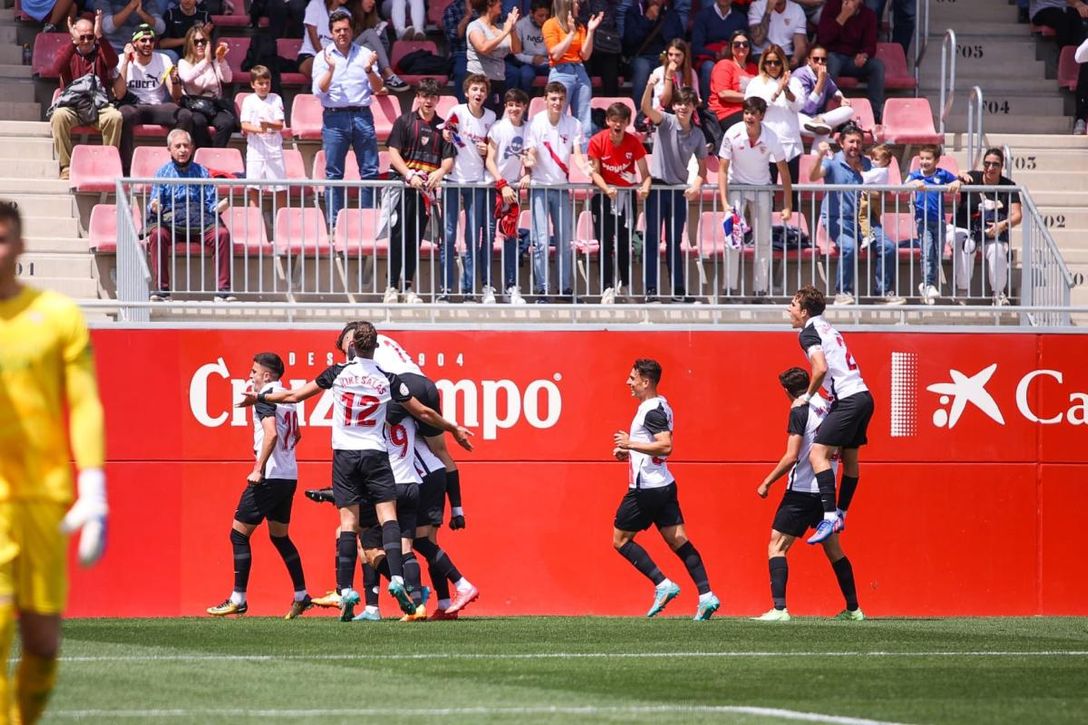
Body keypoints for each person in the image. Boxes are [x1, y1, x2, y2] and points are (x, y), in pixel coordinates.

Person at [238, 321, 474, 621]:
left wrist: (258, 398)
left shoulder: (338, 372)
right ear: (375, 348)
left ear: (351, 346)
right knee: (389, 516)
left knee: (348, 523)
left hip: (345, 454)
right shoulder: (388, 378)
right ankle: (399, 580)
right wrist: (453, 427)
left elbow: (293, 397)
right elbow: (424, 413)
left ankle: (345, 589)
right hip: (375, 454)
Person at [0, 200, 108, 725]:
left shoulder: (58, 316)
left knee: (42, 645)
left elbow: (84, 401)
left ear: (19, 246)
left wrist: (94, 488)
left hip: (43, 501)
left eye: (3, 239)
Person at [370, 331, 480, 617]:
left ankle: (458, 585)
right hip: (434, 473)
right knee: (427, 542)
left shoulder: (386, 414)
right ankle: (444, 603)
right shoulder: (386, 345)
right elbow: (440, 448)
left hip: (423, 478)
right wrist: (457, 508)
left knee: (416, 543)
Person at [611, 359, 720, 620]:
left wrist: (630, 443)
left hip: (646, 488)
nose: (629, 382)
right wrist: (628, 449)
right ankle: (706, 596)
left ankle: (662, 584)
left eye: (632, 378)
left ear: (646, 382)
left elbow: (665, 446)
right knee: (678, 540)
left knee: (621, 540)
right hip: (664, 484)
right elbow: (652, 444)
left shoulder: (651, 410)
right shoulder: (661, 405)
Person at [754, 366, 863, 622]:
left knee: (776, 545)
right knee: (835, 550)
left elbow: (792, 456)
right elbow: (850, 462)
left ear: (786, 392)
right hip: (826, 493)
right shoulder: (835, 409)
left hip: (801, 491)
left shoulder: (799, 410)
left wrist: (766, 482)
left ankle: (779, 610)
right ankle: (854, 609)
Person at [207, 353, 312, 619]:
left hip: (269, 476)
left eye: (254, 372)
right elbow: (296, 434)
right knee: (279, 536)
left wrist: (259, 468)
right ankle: (301, 594)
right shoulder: (287, 397)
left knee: (238, 534)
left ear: (267, 376)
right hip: (288, 476)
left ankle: (238, 598)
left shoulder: (265, 397)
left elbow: (272, 433)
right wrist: (283, 459)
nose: (250, 376)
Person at [787, 284, 872, 546]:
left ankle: (829, 515)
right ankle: (842, 513)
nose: (789, 310)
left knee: (817, 454)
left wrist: (806, 397)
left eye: (792, 305)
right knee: (850, 458)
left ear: (804, 311)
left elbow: (820, 369)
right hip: (864, 396)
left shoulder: (808, 332)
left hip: (847, 399)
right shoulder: (827, 327)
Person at [807, 128, 901, 305]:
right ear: (841, 143)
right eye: (851, 141)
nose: (855, 146)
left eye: (858, 142)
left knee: (888, 247)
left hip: (866, 220)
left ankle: (882, 293)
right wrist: (819, 155)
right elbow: (813, 176)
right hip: (839, 219)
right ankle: (843, 292)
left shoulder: (869, 164)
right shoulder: (832, 162)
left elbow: (881, 191)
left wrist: (874, 193)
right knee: (849, 247)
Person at [385, 78, 456, 303]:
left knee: (415, 240)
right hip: (401, 187)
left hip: (425, 192)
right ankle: (391, 287)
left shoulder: (443, 128)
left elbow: (448, 159)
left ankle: (407, 287)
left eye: (432, 97)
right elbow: (393, 152)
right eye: (424, 96)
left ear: (437, 100)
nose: (428, 101)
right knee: (397, 237)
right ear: (418, 97)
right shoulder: (404, 121)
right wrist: (409, 174)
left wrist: (439, 173)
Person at [145, 129, 234, 301]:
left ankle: (223, 291)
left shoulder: (202, 172)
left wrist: (220, 206)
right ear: (169, 149)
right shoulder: (162, 173)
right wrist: (155, 206)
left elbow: (211, 203)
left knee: (221, 234)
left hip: (199, 220)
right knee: (157, 235)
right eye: (178, 146)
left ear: (192, 148)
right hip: (172, 221)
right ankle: (162, 291)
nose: (182, 150)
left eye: (186, 146)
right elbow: (154, 202)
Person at [313, 7, 385, 220]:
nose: (342, 33)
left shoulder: (365, 55)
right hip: (334, 118)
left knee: (370, 171)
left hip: (362, 115)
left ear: (352, 30)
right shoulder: (322, 57)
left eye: (345, 29)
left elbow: (378, 87)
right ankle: (335, 225)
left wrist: (370, 70)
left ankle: (367, 222)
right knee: (334, 173)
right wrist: (331, 69)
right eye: (337, 30)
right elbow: (319, 91)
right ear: (331, 33)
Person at [717, 96, 792, 299]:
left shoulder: (771, 136)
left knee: (763, 241)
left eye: (754, 113)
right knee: (731, 239)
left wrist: (788, 205)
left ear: (761, 116)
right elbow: (722, 170)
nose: (749, 117)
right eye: (746, 112)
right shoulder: (733, 133)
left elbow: (783, 171)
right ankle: (729, 289)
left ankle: (761, 289)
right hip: (736, 188)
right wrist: (725, 203)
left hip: (762, 189)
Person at [641, 84, 707, 301]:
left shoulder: (697, 135)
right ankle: (650, 289)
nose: (682, 108)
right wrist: (650, 85)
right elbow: (646, 109)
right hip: (658, 188)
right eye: (679, 103)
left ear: (693, 107)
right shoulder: (666, 121)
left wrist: (696, 185)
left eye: (687, 104)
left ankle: (678, 289)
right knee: (652, 239)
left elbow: (702, 171)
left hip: (678, 190)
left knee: (674, 240)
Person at [524, 81, 587, 301]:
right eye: (553, 98)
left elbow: (577, 154)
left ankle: (564, 288)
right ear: (545, 100)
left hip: (561, 188)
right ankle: (542, 289)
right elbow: (530, 150)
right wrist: (529, 160)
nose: (557, 102)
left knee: (564, 241)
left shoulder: (574, 124)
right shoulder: (535, 123)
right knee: (540, 241)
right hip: (540, 188)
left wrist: (586, 167)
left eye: (561, 98)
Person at [442, 74, 498, 302]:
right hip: (453, 181)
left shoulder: (492, 117)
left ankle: (468, 291)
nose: (478, 93)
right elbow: (447, 133)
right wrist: (446, 133)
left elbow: (493, 147)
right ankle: (445, 290)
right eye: (475, 89)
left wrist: (487, 150)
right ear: (467, 92)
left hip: (477, 183)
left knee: (472, 238)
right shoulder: (457, 111)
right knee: (448, 237)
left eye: (482, 90)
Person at [587, 102, 651, 303]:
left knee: (624, 243)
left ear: (627, 123)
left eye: (622, 121)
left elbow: (646, 175)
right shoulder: (597, 141)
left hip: (626, 198)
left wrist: (645, 187)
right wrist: (606, 188)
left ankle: (624, 285)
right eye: (613, 120)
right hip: (603, 197)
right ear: (607, 121)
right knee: (605, 243)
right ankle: (606, 287)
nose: (617, 125)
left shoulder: (633, 142)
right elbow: (594, 173)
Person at [51, 11, 123, 181]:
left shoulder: (100, 50)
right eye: (81, 37)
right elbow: (57, 68)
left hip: (99, 106)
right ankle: (66, 166)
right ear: (75, 35)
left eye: (89, 37)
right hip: (73, 107)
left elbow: (112, 63)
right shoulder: (68, 50)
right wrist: (71, 42)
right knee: (59, 116)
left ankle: (108, 164)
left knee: (115, 117)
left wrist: (100, 37)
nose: (85, 41)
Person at [114, 24, 194, 175]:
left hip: (157, 105)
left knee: (185, 115)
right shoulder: (121, 60)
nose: (147, 44)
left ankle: (178, 163)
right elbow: (119, 94)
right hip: (135, 106)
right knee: (123, 114)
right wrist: (125, 61)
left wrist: (175, 80)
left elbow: (175, 96)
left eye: (151, 40)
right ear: (134, 43)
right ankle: (127, 167)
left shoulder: (164, 59)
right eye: (143, 40)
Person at [949, 148, 1022, 306]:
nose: (990, 167)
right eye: (987, 163)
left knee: (998, 250)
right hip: (965, 227)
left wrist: (1003, 225)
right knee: (966, 245)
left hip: (991, 232)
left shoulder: (1009, 185)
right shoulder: (974, 177)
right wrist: (957, 180)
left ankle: (998, 294)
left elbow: (1017, 215)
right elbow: (960, 179)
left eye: (995, 164)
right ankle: (962, 290)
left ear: (1002, 166)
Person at [744, 43, 803, 214]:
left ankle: (792, 234)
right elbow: (754, 108)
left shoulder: (795, 81)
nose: (772, 66)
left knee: (791, 192)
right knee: (766, 194)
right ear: (763, 63)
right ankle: (766, 234)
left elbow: (798, 106)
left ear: (782, 62)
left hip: (790, 143)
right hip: (765, 143)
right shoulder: (756, 83)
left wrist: (786, 90)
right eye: (769, 62)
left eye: (777, 62)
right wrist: (777, 91)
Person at [485, 88, 531, 304]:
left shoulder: (529, 130)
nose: (514, 109)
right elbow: (490, 160)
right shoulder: (498, 128)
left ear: (524, 107)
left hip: (512, 190)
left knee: (511, 237)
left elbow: (530, 157)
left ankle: (512, 286)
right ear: (506, 106)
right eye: (511, 104)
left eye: (518, 105)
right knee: (489, 237)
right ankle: (488, 287)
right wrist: (501, 183)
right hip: (494, 187)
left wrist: (528, 174)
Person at [906, 144, 960, 305]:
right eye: (922, 158)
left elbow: (957, 180)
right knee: (927, 252)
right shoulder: (916, 174)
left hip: (940, 220)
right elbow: (903, 187)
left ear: (936, 160)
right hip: (923, 221)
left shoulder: (942, 174)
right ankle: (928, 283)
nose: (924, 162)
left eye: (928, 159)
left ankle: (928, 285)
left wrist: (957, 183)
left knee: (937, 254)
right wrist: (914, 184)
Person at [542, 0, 603, 141]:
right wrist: (570, 34)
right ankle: (556, 156)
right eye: (575, 3)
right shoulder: (550, 24)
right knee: (557, 115)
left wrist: (591, 31)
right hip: (561, 71)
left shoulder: (579, 26)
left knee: (584, 121)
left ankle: (582, 157)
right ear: (566, 4)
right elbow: (555, 54)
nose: (578, 5)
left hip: (580, 70)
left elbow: (585, 55)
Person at [816, 0, 884, 123]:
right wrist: (843, 16)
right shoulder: (831, 7)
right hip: (833, 56)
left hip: (853, 60)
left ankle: (874, 115)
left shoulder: (868, 14)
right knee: (832, 61)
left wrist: (864, 55)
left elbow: (870, 45)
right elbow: (823, 39)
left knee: (877, 66)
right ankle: (825, 111)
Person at [177, 25, 236, 149]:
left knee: (227, 123)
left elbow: (228, 79)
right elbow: (187, 78)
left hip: (213, 105)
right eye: (196, 41)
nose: (200, 45)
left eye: (203, 41)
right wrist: (205, 61)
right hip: (195, 106)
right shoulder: (183, 63)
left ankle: (214, 154)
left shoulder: (213, 63)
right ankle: (205, 153)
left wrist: (220, 60)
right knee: (198, 122)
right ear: (189, 44)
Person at [240, 65, 288, 211]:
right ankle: (255, 227)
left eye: (267, 83)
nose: (264, 86)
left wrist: (269, 126)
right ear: (252, 84)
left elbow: (280, 125)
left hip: (274, 149)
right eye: (260, 83)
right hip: (256, 150)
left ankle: (282, 224)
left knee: (280, 188)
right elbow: (245, 126)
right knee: (254, 188)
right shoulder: (248, 100)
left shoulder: (276, 99)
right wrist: (261, 129)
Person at [622, 0, 684, 107]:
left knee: (669, 66)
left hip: (664, 56)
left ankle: (667, 109)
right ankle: (639, 112)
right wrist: (647, 19)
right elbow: (629, 41)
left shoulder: (671, 14)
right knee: (642, 68)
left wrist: (662, 19)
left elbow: (677, 41)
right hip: (641, 56)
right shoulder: (634, 11)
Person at [794, 44, 854, 149]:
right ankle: (817, 160)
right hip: (800, 118)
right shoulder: (801, 75)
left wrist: (841, 98)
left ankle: (821, 120)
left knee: (848, 110)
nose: (820, 62)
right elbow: (807, 108)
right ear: (809, 60)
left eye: (823, 59)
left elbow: (834, 90)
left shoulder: (825, 75)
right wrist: (820, 82)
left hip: (818, 119)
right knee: (824, 130)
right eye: (816, 59)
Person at [468, 0, 522, 113]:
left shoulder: (501, 27)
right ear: (489, 5)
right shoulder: (474, 26)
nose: (501, 3)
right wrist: (504, 33)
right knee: (483, 116)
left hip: (499, 79)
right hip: (479, 81)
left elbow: (516, 50)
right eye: (498, 2)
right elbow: (483, 48)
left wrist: (512, 29)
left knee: (498, 116)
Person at [691, 0, 748, 101]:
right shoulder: (703, 15)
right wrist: (715, 53)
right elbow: (696, 46)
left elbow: (745, 42)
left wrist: (731, 50)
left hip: (733, 56)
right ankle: (708, 104)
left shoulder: (740, 18)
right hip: (709, 57)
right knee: (708, 67)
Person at [708, 29, 758, 131]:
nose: (741, 47)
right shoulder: (724, 64)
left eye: (745, 44)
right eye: (737, 44)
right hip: (727, 112)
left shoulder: (753, 67)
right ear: (730, 47)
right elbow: (723, 93)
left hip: (749, 111)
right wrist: (750, 96)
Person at [507, 0, 552, 95]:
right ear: (531, 13)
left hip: (549, 62)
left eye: (546, 16)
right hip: (528, 62)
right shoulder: (521, 25)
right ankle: (525, 102)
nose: (544, 19)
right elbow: (516, 52)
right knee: (526, 75)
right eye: (540, 15)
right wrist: (532, 59)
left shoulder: (551, 24)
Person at [748, 0, 807, 67]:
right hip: (762, 54)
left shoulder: (797, 9)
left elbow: (800, 43)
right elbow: (757, 39)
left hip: (786, 54)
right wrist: (768, 11)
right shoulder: (757, 6)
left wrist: (796, 58)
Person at [94, 0, 166, 55]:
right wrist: (131, 6)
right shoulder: (103, 1)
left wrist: (141, 13)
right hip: (114, 48)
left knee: (172, 55)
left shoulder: (146, 2)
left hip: (140, 48)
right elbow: (108, 27)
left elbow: (160, 29)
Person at [646, 39, 699, 112]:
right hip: (663, 114)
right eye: (670, 54)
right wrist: (669, 75)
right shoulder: (658, 71)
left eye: (677, 55)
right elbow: (664, 103)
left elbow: (696, 100)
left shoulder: (691, 72)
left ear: (684, 56)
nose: (673, 58)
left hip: (683, 113)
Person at [299, 0, 349, 79]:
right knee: (322, 68)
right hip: (310, 55)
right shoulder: (315, 4)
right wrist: (324, 57)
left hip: (335, 58)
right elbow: (312, 33)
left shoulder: (346, 13)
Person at [444, 0, 477, 102]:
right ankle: (462, 110)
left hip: (486, 53)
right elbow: (453, 37)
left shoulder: (486, 6)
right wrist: (467, 16)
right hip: (462, 53)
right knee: (462, 72)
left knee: (512, 73)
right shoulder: (452, 9)